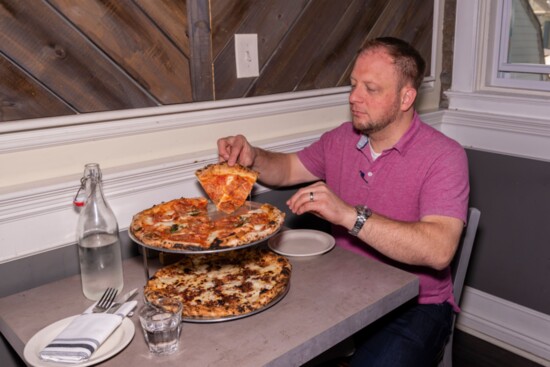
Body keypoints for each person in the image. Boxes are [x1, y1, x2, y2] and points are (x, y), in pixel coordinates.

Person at [217, 37, 469, 366]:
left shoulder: (445, 156)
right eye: (352, 85)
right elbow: (288, 168)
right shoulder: (340, 139)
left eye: (370, 89)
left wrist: (350, 215)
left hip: (415, 307)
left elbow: (439, 251)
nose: (354, 98)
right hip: (337, 290)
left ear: (406, 97)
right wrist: (252, 157)